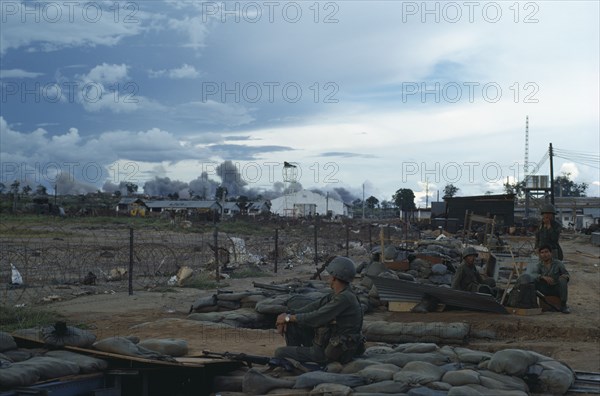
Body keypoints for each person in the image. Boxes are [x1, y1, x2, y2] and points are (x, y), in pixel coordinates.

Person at [274, 256, 365, 364]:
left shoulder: (344, 298)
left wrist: (288, 318)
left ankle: (299, 363)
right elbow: (314, 306)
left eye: (330, 275)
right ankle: (300, 356)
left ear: (335, 277)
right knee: (293, 324)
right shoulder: (342, 294)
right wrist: (287, 315)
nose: (328, 278)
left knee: (280, 353)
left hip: (334, 351)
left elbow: (317, 317)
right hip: (332, 343)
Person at [532, 245, 571, 313]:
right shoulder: (539, 265)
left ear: (551, 253)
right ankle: (533, 304)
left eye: (546, 252)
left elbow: (566, 274)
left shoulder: (558, 263)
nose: (544, 254)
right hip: (545, 288)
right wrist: (542, 277)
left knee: (563, 280)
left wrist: (564, 277)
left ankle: (563, 305)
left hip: (556, 288)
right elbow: (532, 275)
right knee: (531, 282)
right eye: (542, 252)